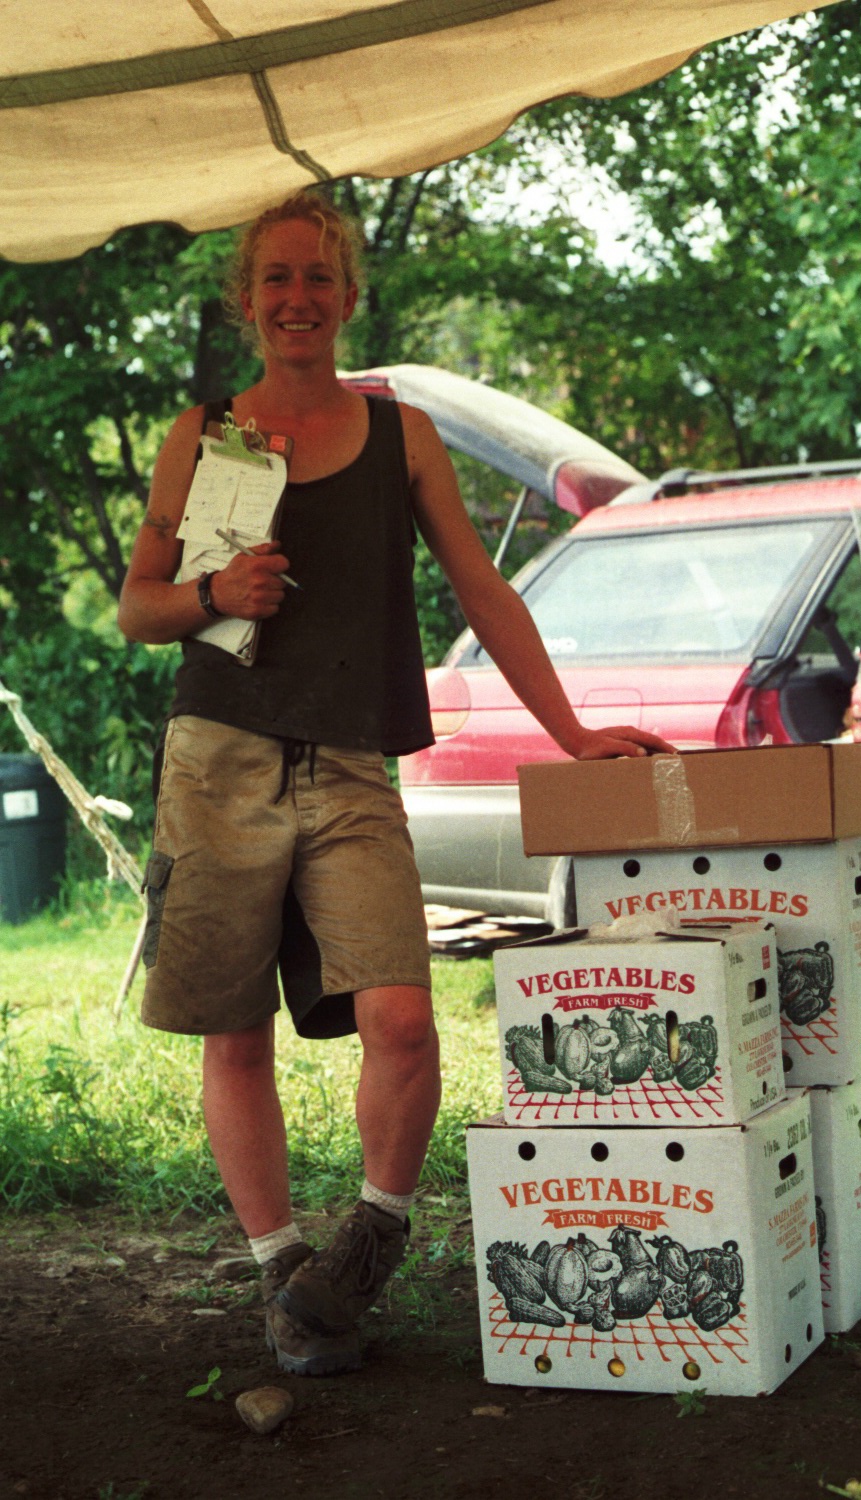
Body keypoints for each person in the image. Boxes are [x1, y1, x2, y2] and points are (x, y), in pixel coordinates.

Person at [117, 190, 668, 1378]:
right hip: (217, 757)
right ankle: (280, 1269)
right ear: (246, 298)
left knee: (403, 1019)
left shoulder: (400, 432)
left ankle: (368, 1241)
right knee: (234, 1035)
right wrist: (217, 597)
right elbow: (138, 608)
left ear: (348, 296)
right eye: (275, 279)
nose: (296, 299)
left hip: (352, 764)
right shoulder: (205, 433)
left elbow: (485, 591)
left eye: (318, 278)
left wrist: (569, 732)